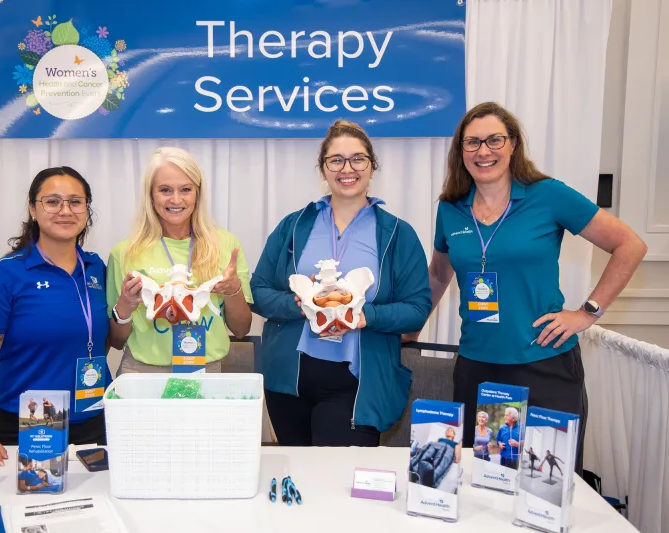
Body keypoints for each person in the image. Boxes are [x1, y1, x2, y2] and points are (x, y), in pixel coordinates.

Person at [404, 102, 648, 473]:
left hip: (543, 364)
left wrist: (588, 313)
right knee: (485, 480)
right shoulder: (451, 208)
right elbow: (439, 275)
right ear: (461, 151)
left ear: (513, 144)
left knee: (545, 483)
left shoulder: (547, 195)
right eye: (472, 143)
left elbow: (630, 245)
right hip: (477, 366)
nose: (483, 151)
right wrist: (409, 333)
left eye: (494, 140)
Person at [251, 120, 431, 447]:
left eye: (358, 158)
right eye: (336, 160)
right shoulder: (293, 226)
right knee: (301, 481)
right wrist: (298, 303)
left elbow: (417, 308)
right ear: (323, 168)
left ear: (372, 166)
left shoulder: (397, 234)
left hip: (355, 385)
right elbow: (260, 290)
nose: (347, 168)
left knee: (340, 486)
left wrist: (367, 316)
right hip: (287, 383)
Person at [0, 167, 111, 470]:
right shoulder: (5, 274)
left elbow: (99, 338)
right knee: (34, 507)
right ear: (33, 208)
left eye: (75, 202)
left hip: (94, 417)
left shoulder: (96, 268)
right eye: (52, 201)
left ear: (87, 210)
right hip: (30, 422)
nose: (65, 211)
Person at [107, 147, 253, 373]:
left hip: (206, 370)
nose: (176, 199)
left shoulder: (226, 244)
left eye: (185, 189)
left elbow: (242, 329)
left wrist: (233, 290)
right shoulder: (125, 252)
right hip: (142, 372)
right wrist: (124, 307)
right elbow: (116, 342)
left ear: (198, 193)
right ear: (150, 195)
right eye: (165, 190)